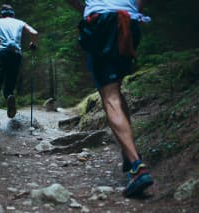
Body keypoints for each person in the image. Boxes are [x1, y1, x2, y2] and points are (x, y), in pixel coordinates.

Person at [67, 0, 153, 197]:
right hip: (129, 23)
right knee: (116, 89)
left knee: (110, 97)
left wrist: (85, 9)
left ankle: (137, 167)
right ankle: (129, 152)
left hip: (101, 23)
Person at [0, 4, 38, 132]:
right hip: (16, 55)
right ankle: (9, 96)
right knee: (9, 86)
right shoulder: (20, 22)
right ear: (13, 15)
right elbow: (34, 33)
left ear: (2, 14)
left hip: (2, 54)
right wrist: (33, 44)